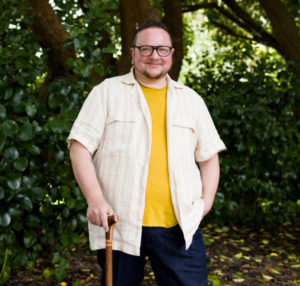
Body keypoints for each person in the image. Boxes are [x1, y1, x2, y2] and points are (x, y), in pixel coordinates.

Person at [68, 19, 226, 286]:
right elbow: (80, 147)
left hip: (180, 226)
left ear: (172, 54)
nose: (155, 56)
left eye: (162, 49)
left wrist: (204, 205)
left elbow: (209, 157)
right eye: (146, 48)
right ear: (132, 53)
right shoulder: (106, 93)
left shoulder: (191, 101)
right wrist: (95, 200)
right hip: (119, 224)